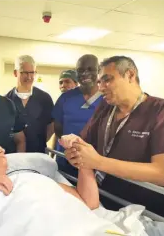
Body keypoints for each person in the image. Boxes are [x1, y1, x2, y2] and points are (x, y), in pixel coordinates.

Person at [64, 56, 164, 216]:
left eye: (107, 80)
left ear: (130, 75)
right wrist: (75, 152)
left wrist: (99, 162)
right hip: (102, 199)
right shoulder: (105, 107)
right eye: (99, 82)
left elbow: (161, 173)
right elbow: (85, 144)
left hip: (142, 211)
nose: (101, 88)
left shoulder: (159, 111)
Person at [0, 135, 99, 209]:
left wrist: (81, 155)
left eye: (0, 148)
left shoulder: (31, 178)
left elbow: (90, 202)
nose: (1, 150)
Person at [52, 54, 103, 177]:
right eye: (80, 70)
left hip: (94, 163)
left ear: (99, 71)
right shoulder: (65, 98)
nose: (85, 74)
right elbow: (58, 129)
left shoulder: (107, 99)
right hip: (65, 161)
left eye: (90, 69)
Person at [6, 55, 54, 153]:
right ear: (16, 73)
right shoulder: (6, 100)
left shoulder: (44, 98)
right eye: (24, 73)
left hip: (39, 154)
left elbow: (51, 125)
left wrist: (40, 141)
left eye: (32, 72)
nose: (29, 77)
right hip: (14, 155)